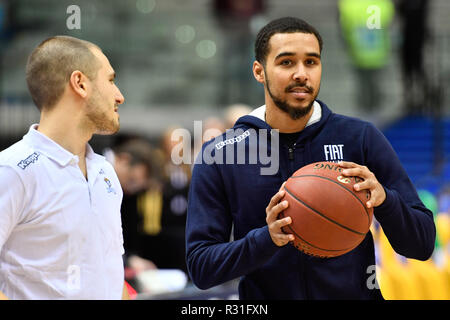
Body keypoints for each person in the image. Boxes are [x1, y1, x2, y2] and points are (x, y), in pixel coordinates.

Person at [185, 17, 436, 299]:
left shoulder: (361, 137)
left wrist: (387, 201)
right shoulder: (221, 154)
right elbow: (201, 268)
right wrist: (266, 239)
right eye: (286, 62)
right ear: (259, 71)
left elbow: (423, 245)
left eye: (311, 62)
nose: (301, 74)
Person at [0, 35, 127, 299]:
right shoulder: (12, 170)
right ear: (80, 83)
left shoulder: (106, 172)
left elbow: (110, 273)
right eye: (111, 80)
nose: (120, 96)